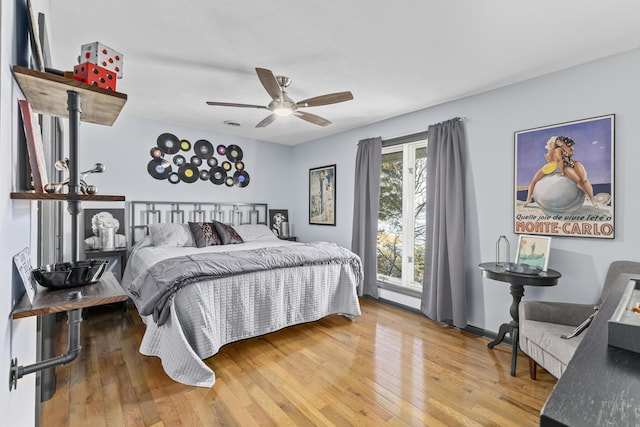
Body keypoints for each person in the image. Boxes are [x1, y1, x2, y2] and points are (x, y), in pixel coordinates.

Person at [554, 136, 598, 207]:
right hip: (566, 167)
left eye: (559, 141)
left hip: (574, 163)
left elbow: (570, 157)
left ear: (563, 141)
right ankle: (588, 196)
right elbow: (560, 160)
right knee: (578, 180)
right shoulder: (558, 149)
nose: (558, 143)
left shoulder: (571, 148)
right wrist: (562, 171)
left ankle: (592, 199)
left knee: (585, 180)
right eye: (557, 142)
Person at [523, 137, 563, 206]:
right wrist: (561, 170)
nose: (550, 145)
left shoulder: (552, 150)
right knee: (538, 181)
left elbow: (557, 160)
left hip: (549, 167)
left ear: (555, 144)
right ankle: (532, 195)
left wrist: (562, 170)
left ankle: (528, 199)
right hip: (553, 167)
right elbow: (558, 160)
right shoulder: (557, 150)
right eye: (550, 144)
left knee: (533, 182)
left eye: (552, 143)